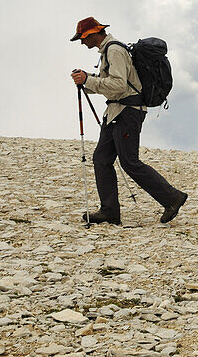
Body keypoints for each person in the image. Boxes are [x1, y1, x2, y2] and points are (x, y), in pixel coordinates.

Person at [70, 16, 188, 225]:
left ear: (93, 33)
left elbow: (118, 85)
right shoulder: (109, 51)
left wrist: (88, 80)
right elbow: (112, 83)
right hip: (116, 112)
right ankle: (109, 211)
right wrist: (87, 80)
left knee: (129, 162)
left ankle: (172, 198)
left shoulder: (114, 51)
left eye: (82, 37)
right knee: (101, 159)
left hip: (127, 112)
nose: (82, 42)